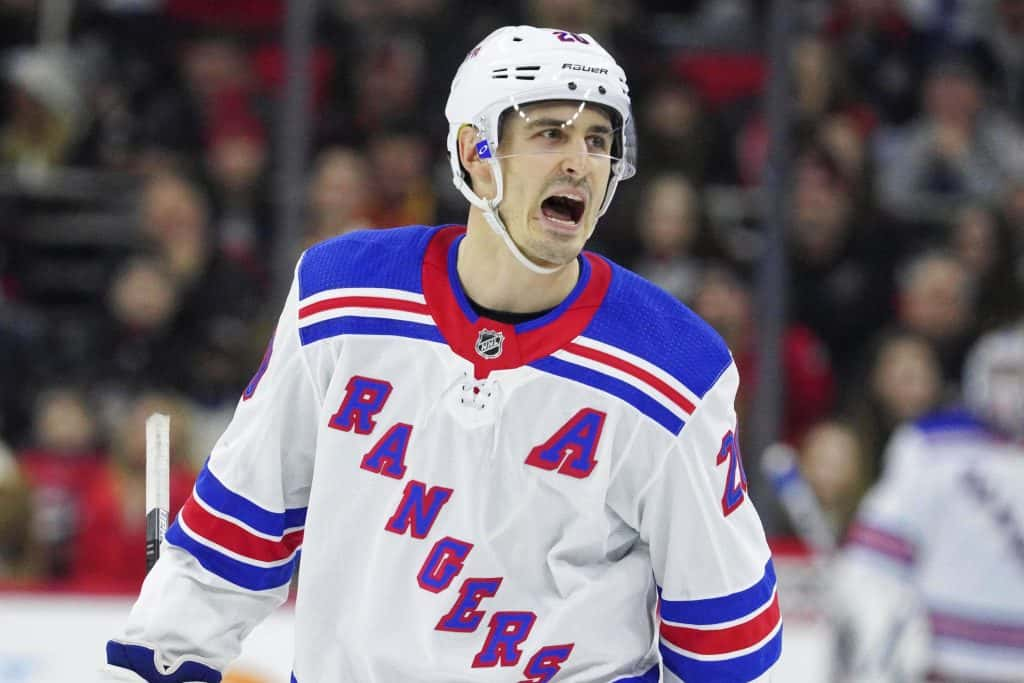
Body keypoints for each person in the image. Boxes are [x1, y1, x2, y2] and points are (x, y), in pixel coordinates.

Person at [104, 26, 781, 683]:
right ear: (475, 151)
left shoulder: (673, 366)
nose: (581, 160)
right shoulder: (342, 299)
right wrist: (165, 650)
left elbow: (725, 643)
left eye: (598, 139)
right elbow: (242, 522)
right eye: (551, 132)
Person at [832, 321, 1024, 681]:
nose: (1014, 388)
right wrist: (881, 645)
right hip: (946, 664)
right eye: (1007, 373)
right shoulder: (931, 446)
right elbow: (871, 565)